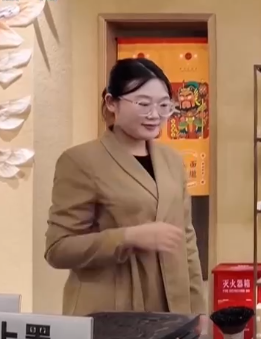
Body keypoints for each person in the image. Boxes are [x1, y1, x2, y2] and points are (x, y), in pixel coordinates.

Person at [45, 58, 205, 316]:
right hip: (110, 312)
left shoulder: (172, 161)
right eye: (143, 104)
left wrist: (198, 310)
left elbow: (186, 239)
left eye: (163, 105)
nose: (155, 115)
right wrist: (129, 237)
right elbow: (58, 249)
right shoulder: (81, 161)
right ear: (112, 102)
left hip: (171, 309)